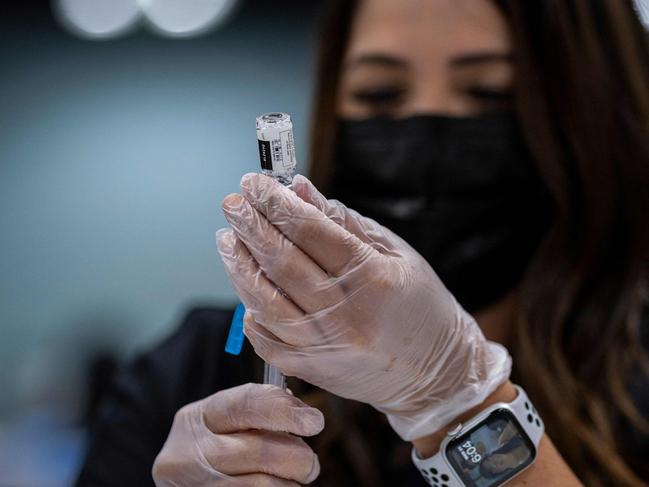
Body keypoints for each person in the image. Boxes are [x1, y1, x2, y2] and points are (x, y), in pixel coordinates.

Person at [76, 0, 649, 486]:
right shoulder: (198, 368)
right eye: (378, 94)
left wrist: (457, 399)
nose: (427, 134)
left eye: (490, 92)